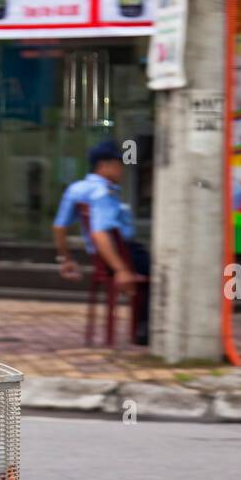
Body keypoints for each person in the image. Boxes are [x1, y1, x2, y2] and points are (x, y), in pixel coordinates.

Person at [53, 139, 150, 344]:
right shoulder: (104, 192)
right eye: (118, 164)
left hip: (99, 256)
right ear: (104, 166)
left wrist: (65, 258)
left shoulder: (76, 189)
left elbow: (59, 227)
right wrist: (121, 269)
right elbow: (100, 234)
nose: (121, 170)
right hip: (122, 254)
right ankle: (144, 331)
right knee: (161, 273)